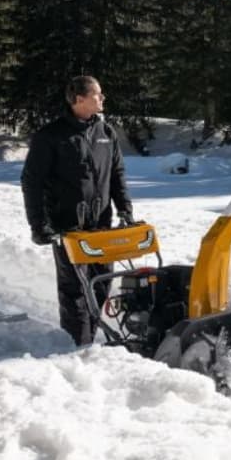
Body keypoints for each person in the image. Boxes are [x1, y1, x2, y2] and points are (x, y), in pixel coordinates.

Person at [21, 75, 135, 345]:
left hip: (102, 226)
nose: (103, 98)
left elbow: (117, 174)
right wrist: (39, 226)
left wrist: (125, 210)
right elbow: (32, 181)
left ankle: (89, 340)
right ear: (79, 99)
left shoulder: (106, 133)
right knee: (75, 291)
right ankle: (77, 348)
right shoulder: (50, 136)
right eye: (98, 94)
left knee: (101, 283)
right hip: (68, 228)